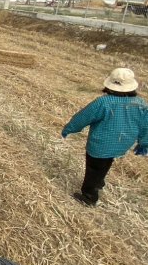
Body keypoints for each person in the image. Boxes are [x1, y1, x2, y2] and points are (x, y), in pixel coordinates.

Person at [62, 68, 148, 206]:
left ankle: (89, 196)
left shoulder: (103, 102)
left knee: (94, 168)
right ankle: (99, 181)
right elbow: (146, 125)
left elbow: (84, 117)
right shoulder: (141, 104)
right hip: (122, 143)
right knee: (108, 160)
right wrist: (144, 143)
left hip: (100, 144)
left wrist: (70, 128)